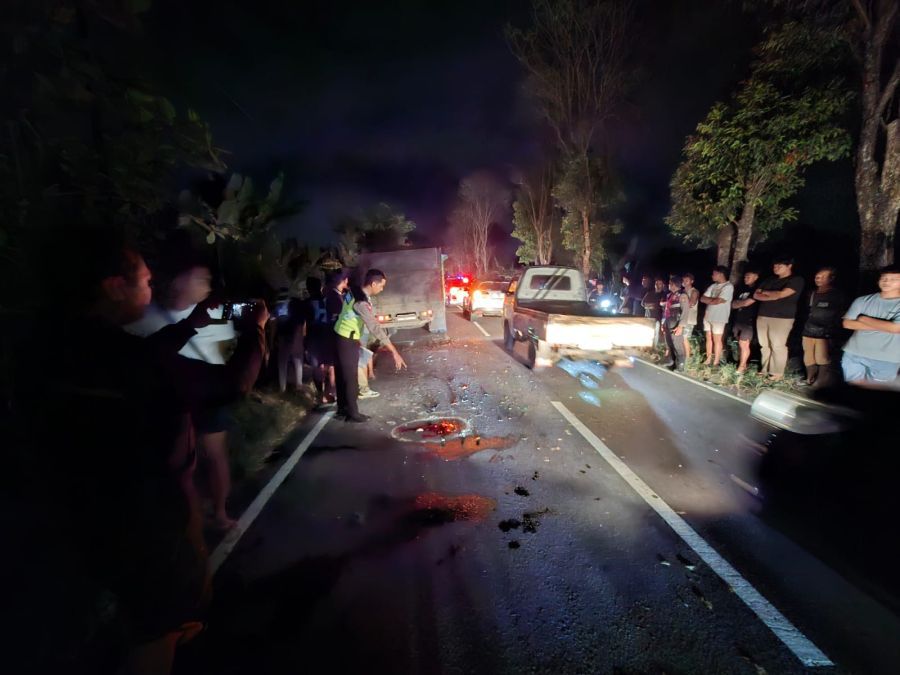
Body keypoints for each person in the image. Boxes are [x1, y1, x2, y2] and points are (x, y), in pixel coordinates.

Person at [39, 236, 265, 674]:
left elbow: (145, 357)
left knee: (150, 609)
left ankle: (173, 628)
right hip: (147, 513)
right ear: (113, 286)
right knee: (156, 624)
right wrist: (257, 329)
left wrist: (192, 324)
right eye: (144, 279)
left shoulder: (62, 345)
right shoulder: (118, 357)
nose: (151, 286)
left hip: (87, 507)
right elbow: (230, 386)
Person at [126, 254, 240, 531]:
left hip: (207, 399)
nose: (208, 285)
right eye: (200, 279)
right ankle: (193, 512)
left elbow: (225, 356)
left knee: (214, 454)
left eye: (209, 280)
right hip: (171, 404)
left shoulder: (215, 314)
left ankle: (220, 511)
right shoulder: (148, 316)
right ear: (179, 282)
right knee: (183, 463)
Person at [333, 269, 407, 422]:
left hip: (341, 336)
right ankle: (353, 414)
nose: (382, 289)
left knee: (342, 375)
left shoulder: (354, 291)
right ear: (373, 284)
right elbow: (375, 328)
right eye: (381, 286)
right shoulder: (361, 302)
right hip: (346, 338)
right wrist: (394, 352)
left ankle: (342, 409)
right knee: (350, 377)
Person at [841, 265, 900, 385]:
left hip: (886, 359)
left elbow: (896, 328)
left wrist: (863, 318)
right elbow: (847, 323)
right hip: (854, 354)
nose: (887, 282)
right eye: (884, 278)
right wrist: (885, 326)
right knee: (853, 390)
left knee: (877, 396)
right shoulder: (862, 300)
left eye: (894, 279)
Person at [754, 258, 805, 380]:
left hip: (782, 317)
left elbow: (781, 294)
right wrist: (771, 295)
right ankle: (765, 369)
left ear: (789, 266)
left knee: (777, 345)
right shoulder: (769, 280)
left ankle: (777, 373)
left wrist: (767, 294)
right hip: (763, 315)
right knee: (764, 345)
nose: (775, 267)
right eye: (774, 265)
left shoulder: (796, 280)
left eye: (779, 265)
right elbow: (756, 295)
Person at [800, 267, 845, 387]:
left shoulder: (836, 295)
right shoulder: (812, 293)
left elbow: (840, 313)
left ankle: (821, 381)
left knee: (822, 358)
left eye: (823, 276)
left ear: (832, 278)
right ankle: (810, 378)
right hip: (808, 330)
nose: (818, 279)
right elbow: (807, 311)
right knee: (808, 357)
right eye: (817, 276)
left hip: (825, 332)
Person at [699, 266, 734, 366]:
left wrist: (711, 300)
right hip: (708, 315)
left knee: (717, 339)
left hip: (719, 317)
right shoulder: (713, 286)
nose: (712, 276)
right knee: (708, 337)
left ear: (721, 274)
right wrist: (712, 300)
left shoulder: (728, 286)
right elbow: (702, 298)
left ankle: (716, 361)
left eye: (714, 274)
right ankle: (708, 358)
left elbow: (718, 301)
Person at [731, 269, 760, 373]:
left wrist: (740, 303)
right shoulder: (742, 289)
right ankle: (743, 363)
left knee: (744, 343)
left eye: (748, 276)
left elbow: (747, 303)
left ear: (756, 277)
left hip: (748, 321)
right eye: (745, 277)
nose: (745, 278)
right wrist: (741, 303)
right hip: (738, 319)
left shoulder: (757, 290)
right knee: (739, 343)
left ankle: (742, 367)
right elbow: (733, 304)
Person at [662, 276, 689, 370]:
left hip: (676, 322)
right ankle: (670, 360)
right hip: (668, 321)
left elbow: (685, 311)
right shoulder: (669, 295)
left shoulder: (682, 295)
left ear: (673, 285)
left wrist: (681, 326)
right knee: (669, 342)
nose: (668, 285)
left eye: (670, 284)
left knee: (677, 343)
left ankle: (681, 364)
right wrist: (664, 322)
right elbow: (666, 310)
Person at [680, 272, 700, 361]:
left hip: (689, 319)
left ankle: (688, 359)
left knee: (685, 338)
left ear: (692, 281)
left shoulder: (694, 291)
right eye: (683, 280)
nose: (684, 282)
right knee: (680, 338)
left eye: (687, 280)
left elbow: (691, 303)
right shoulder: (682, 291)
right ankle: (682, 356)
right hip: (682, 318)